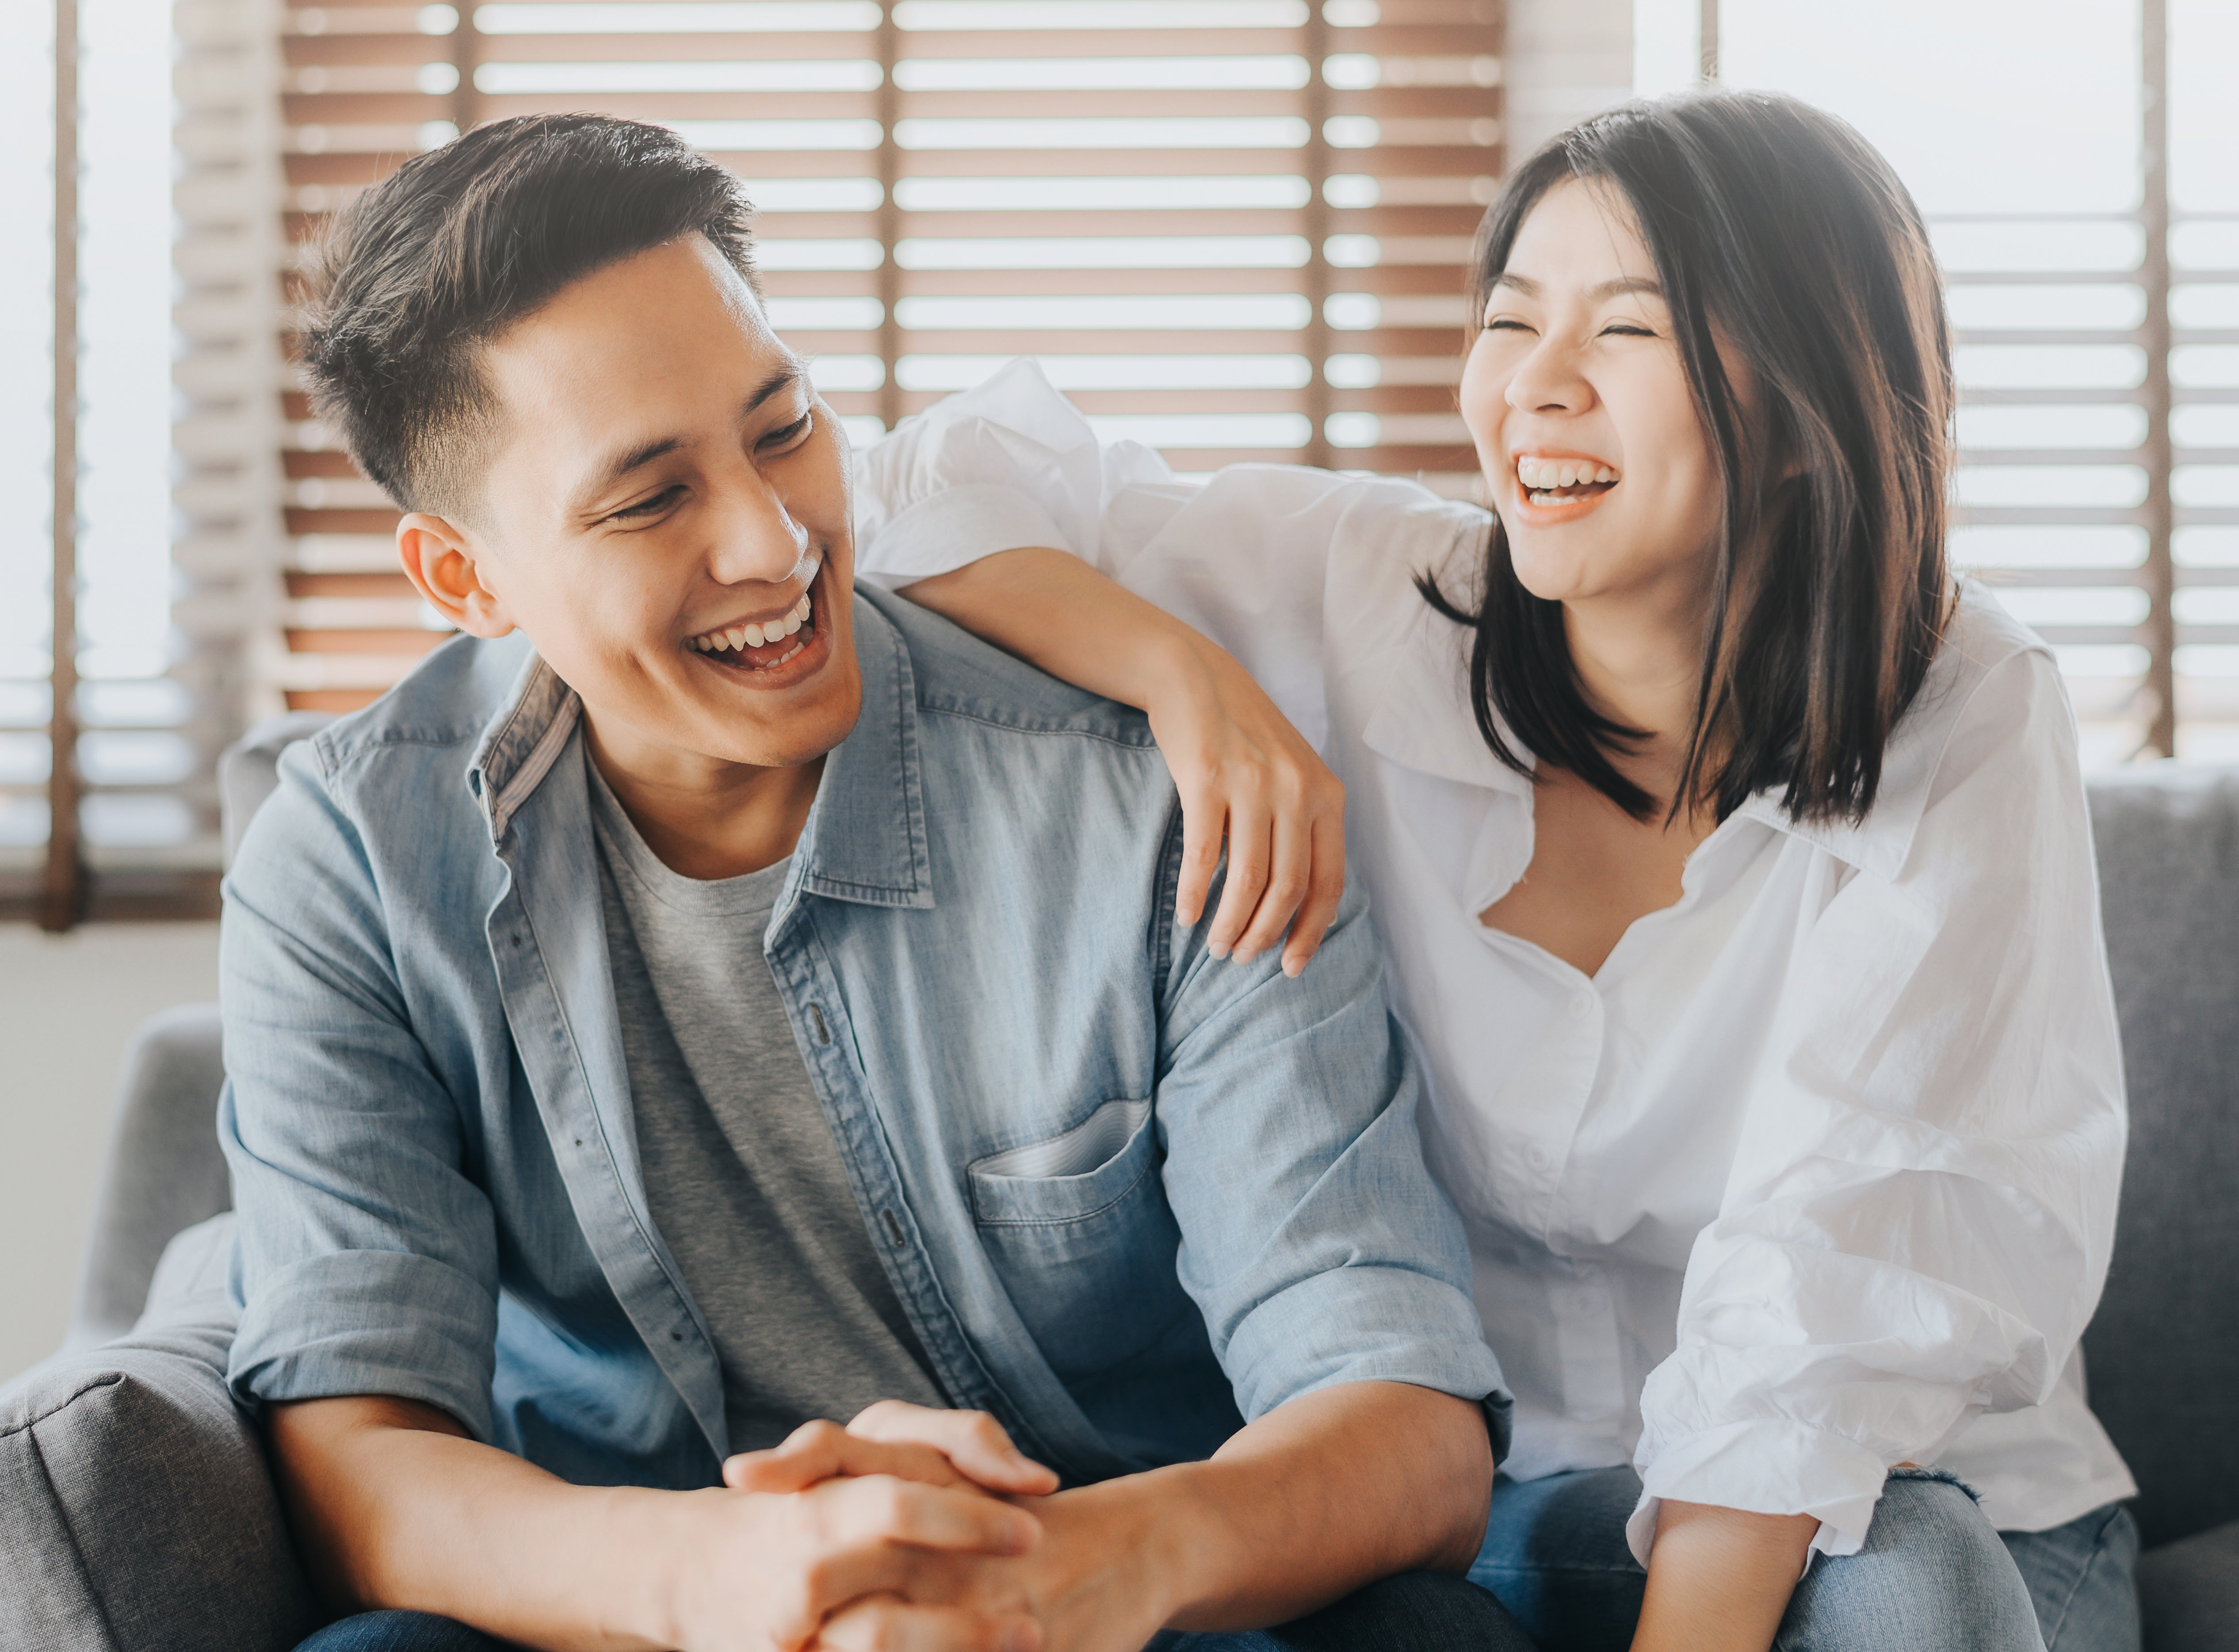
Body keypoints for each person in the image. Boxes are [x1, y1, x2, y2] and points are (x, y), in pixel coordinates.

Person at [219, 112, 1530, 1652]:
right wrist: (729, 1578)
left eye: (782, 430)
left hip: (1129, 1603)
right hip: (647, 1611)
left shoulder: (1154, 801)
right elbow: (355, 1461)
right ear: (465, 575)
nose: (776, 546)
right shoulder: (353, 854)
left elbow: (1405, 1423)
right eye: (651, 499)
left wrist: (1067, 1578)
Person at [852, 90, 2137, 1652]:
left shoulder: (1968, 704)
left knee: (1913, 1588)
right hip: (1522, 1503)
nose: (1534, 387)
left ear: (1806, 410)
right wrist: (1190, 684)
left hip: (1883, 1504)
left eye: (1627, 332)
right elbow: (920, 485)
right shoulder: (1364, 594)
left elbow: (1832, 1288)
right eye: (1512, 320)